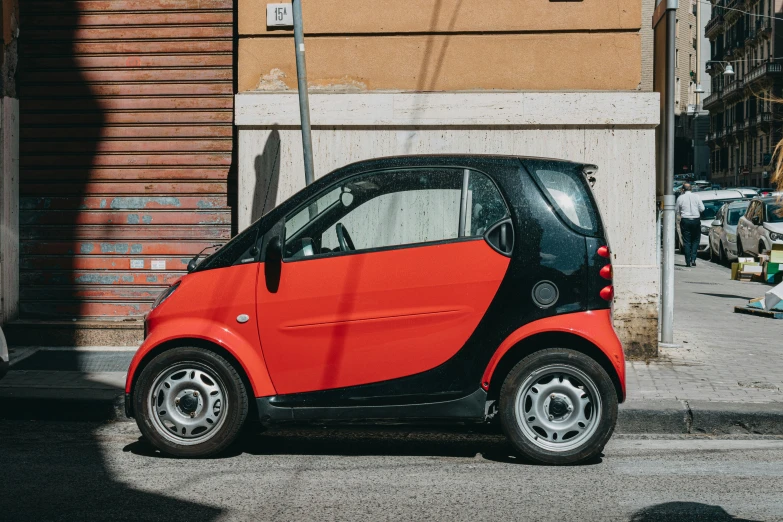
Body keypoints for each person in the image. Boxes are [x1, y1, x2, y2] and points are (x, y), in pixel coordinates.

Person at [676, 183, 704, 267]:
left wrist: (681, 212)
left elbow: (676, 210)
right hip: (696, 219)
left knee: (686, 241)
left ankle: (688, 261)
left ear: (683, 189)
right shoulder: (697, 196)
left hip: (685, 219)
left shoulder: (680, 198)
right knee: (695, 239)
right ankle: (693, 259)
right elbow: (702, 208)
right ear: (691, 189)